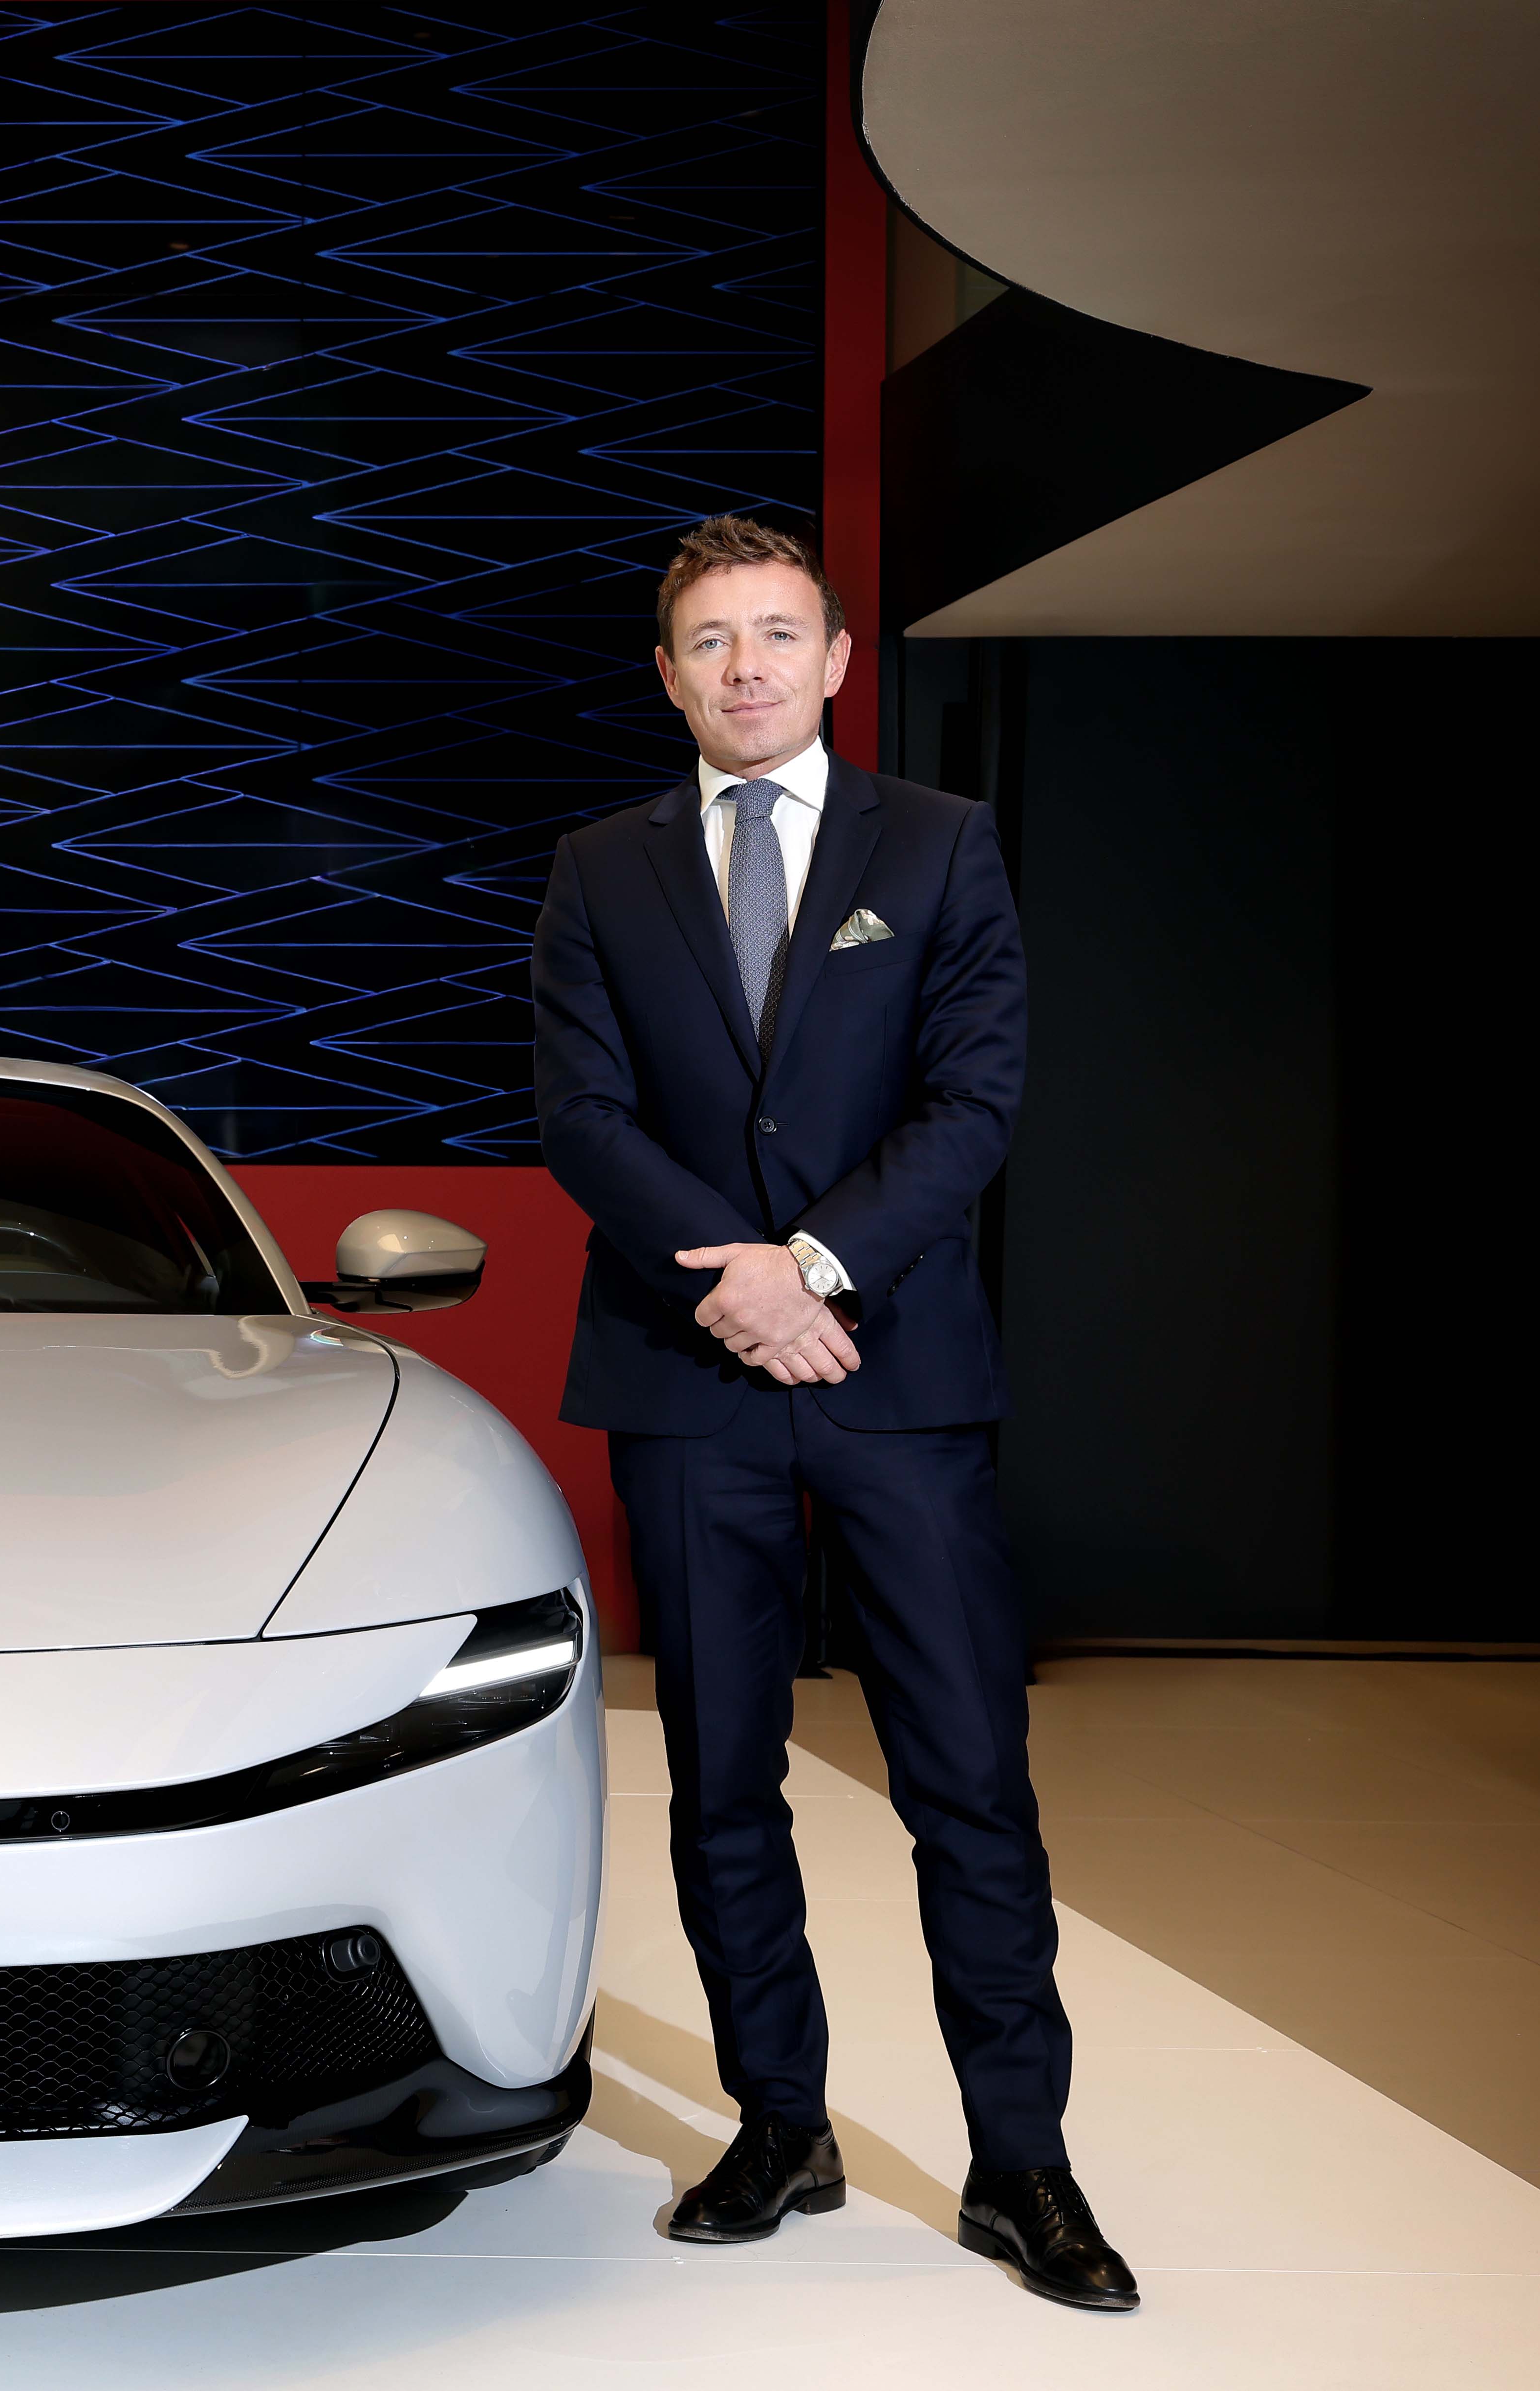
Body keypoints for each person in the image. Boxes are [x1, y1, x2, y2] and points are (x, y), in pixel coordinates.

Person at [529, 515, 1137, 2312]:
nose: (746, 666)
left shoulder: (937, 843)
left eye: (776, 633)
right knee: (720, 1778)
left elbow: (974, 1097)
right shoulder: (599, 866)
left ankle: (1020, 2163)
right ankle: (777, 2122)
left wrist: (807, 1268)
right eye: (710, 640)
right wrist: (730, 1285)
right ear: (667, 674)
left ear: (836, 657)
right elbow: (580, 1116)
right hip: (683, 1378)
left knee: (968, 1780)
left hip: (897, 1377)